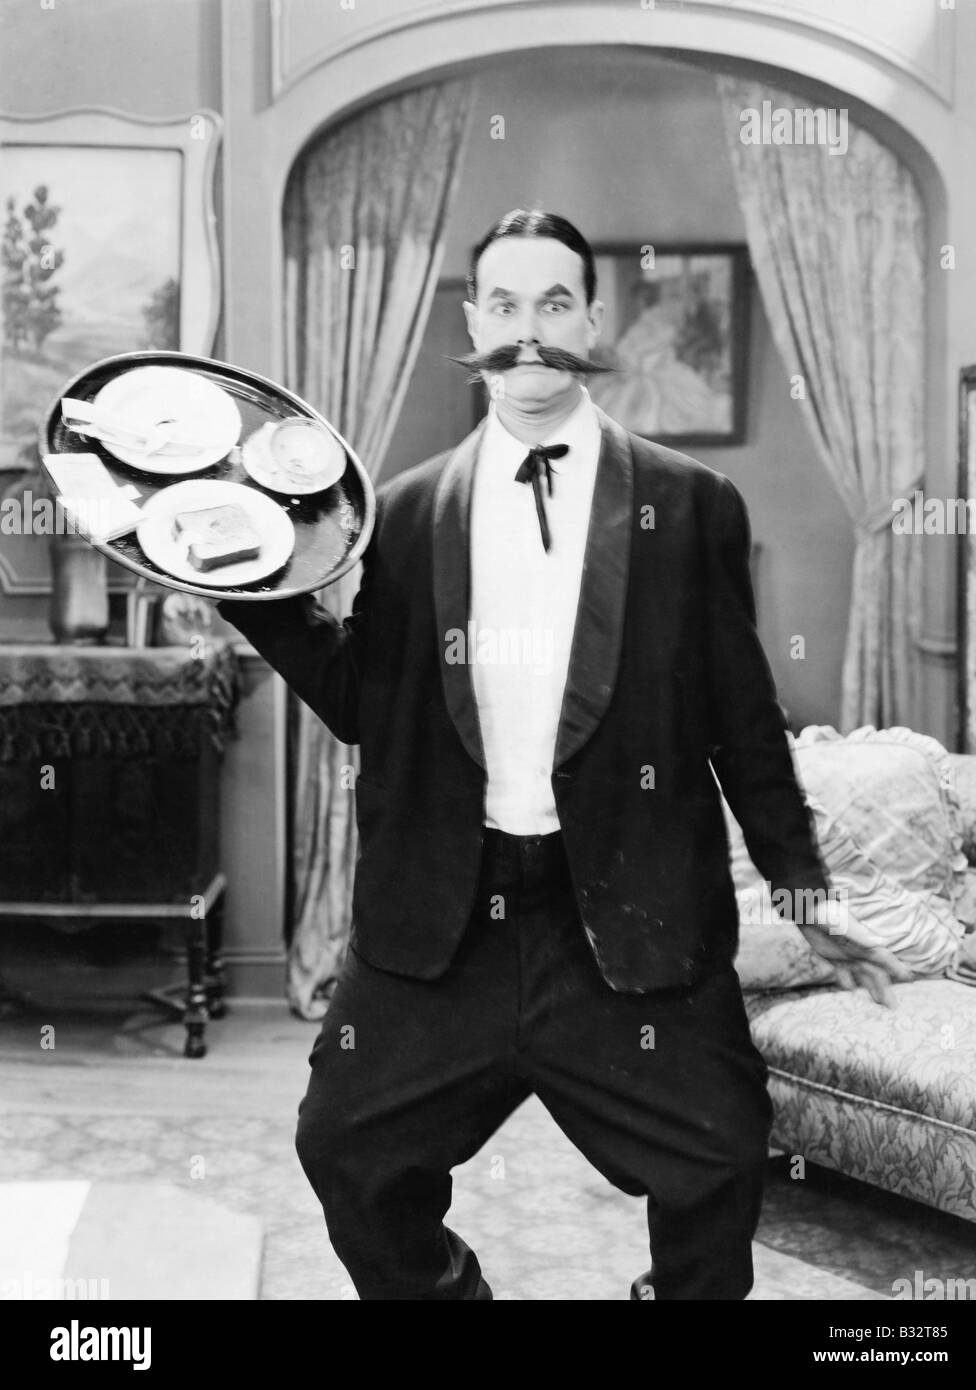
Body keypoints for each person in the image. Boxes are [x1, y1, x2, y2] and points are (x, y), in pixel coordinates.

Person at [218, 209, 912, 1301]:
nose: (527, 331)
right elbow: (364, 703)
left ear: (592, 319)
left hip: (627, 913)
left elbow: (742, 720)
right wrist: (247, 586)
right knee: (344, 1146)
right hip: (443, 915)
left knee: (720, 1155)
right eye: (503, 304)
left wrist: (803, 891)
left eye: (553, 303)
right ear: (471, 323)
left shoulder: (689, 507)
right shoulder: (401, 514)